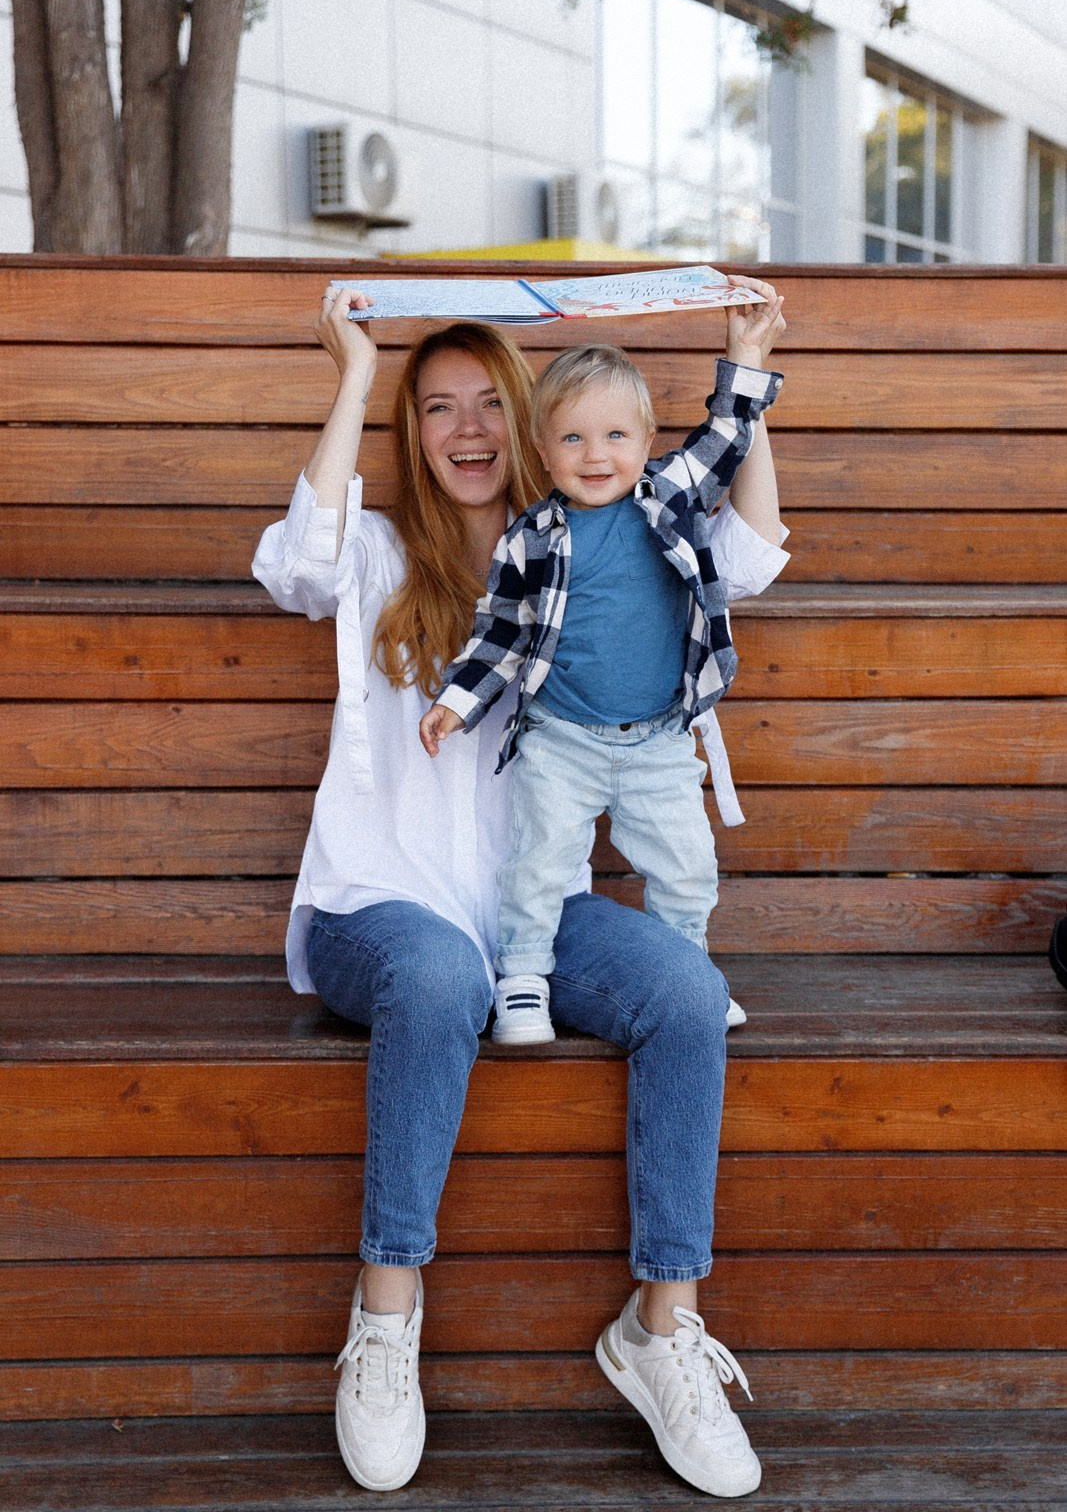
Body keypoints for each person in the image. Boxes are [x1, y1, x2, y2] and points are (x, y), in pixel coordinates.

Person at [251, 276, 788, 1499]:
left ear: (535, 422)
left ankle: (661, 1329)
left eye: (486, 400)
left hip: (529, 919)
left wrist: (745, 371)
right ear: (412, 432)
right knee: (439, 973)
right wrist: (350, 372)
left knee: (684, 991)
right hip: (374, 910)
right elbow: (294, 562)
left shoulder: (608, 536)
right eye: (434, 407)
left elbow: (747, 558)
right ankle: (386, 1317)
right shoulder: (379, 551)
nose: (464, 427)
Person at [419, 337, 783, 1046]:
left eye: (616, 435)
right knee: (537, 861)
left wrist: (745, 349)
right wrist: (455, 703)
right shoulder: (530, 539)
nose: (595, 456)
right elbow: (500, 637)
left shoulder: (670, 496)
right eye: (573, 438)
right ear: (541, 450)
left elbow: (727, 435)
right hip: (560, 738)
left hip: (657, 739)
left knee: (686, 868)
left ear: (647, 440)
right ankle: (521, 976)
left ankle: (690, 974)